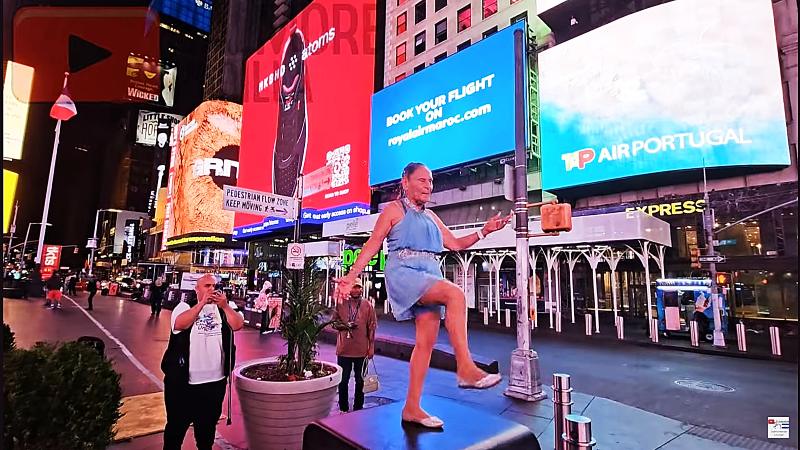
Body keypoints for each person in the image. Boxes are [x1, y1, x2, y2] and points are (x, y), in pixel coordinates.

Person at [335, 162, 511, 428]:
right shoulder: (394, 210)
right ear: (405, 182)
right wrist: (350, 276)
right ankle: (465, 367)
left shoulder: (431, 217)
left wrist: (484, 231)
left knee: (425, 343)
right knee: (456, 295)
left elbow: (454, 244)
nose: (429, 186)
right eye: (422, 180)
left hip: (429, 274)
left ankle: (412, 408)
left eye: (431, 181)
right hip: (405, 273)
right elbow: (373, 244)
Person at [161, 274, 244, 450]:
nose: (212, 289)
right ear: (196, 289)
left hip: (214, 383)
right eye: (207, 286)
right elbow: (179, 324)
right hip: (183, 383)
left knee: (206, 433)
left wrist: (225, 306)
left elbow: (237, 324)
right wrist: (201, 304)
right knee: (176, 429)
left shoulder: (224, 309)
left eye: (214, 285)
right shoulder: (184, 306)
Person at [332, 279, 377, 413]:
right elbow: (333, 323)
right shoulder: (341, 303)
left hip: (362, 351)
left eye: (358, 287)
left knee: (360, 381)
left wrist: (371, 347)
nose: (356, 290)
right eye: (353, 288)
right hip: (343, 350)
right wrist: (345, 326)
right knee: (343, 381)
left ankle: (358, 407)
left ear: (361, 289)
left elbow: (372, 328)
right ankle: (343, 408)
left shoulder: (367, 305)